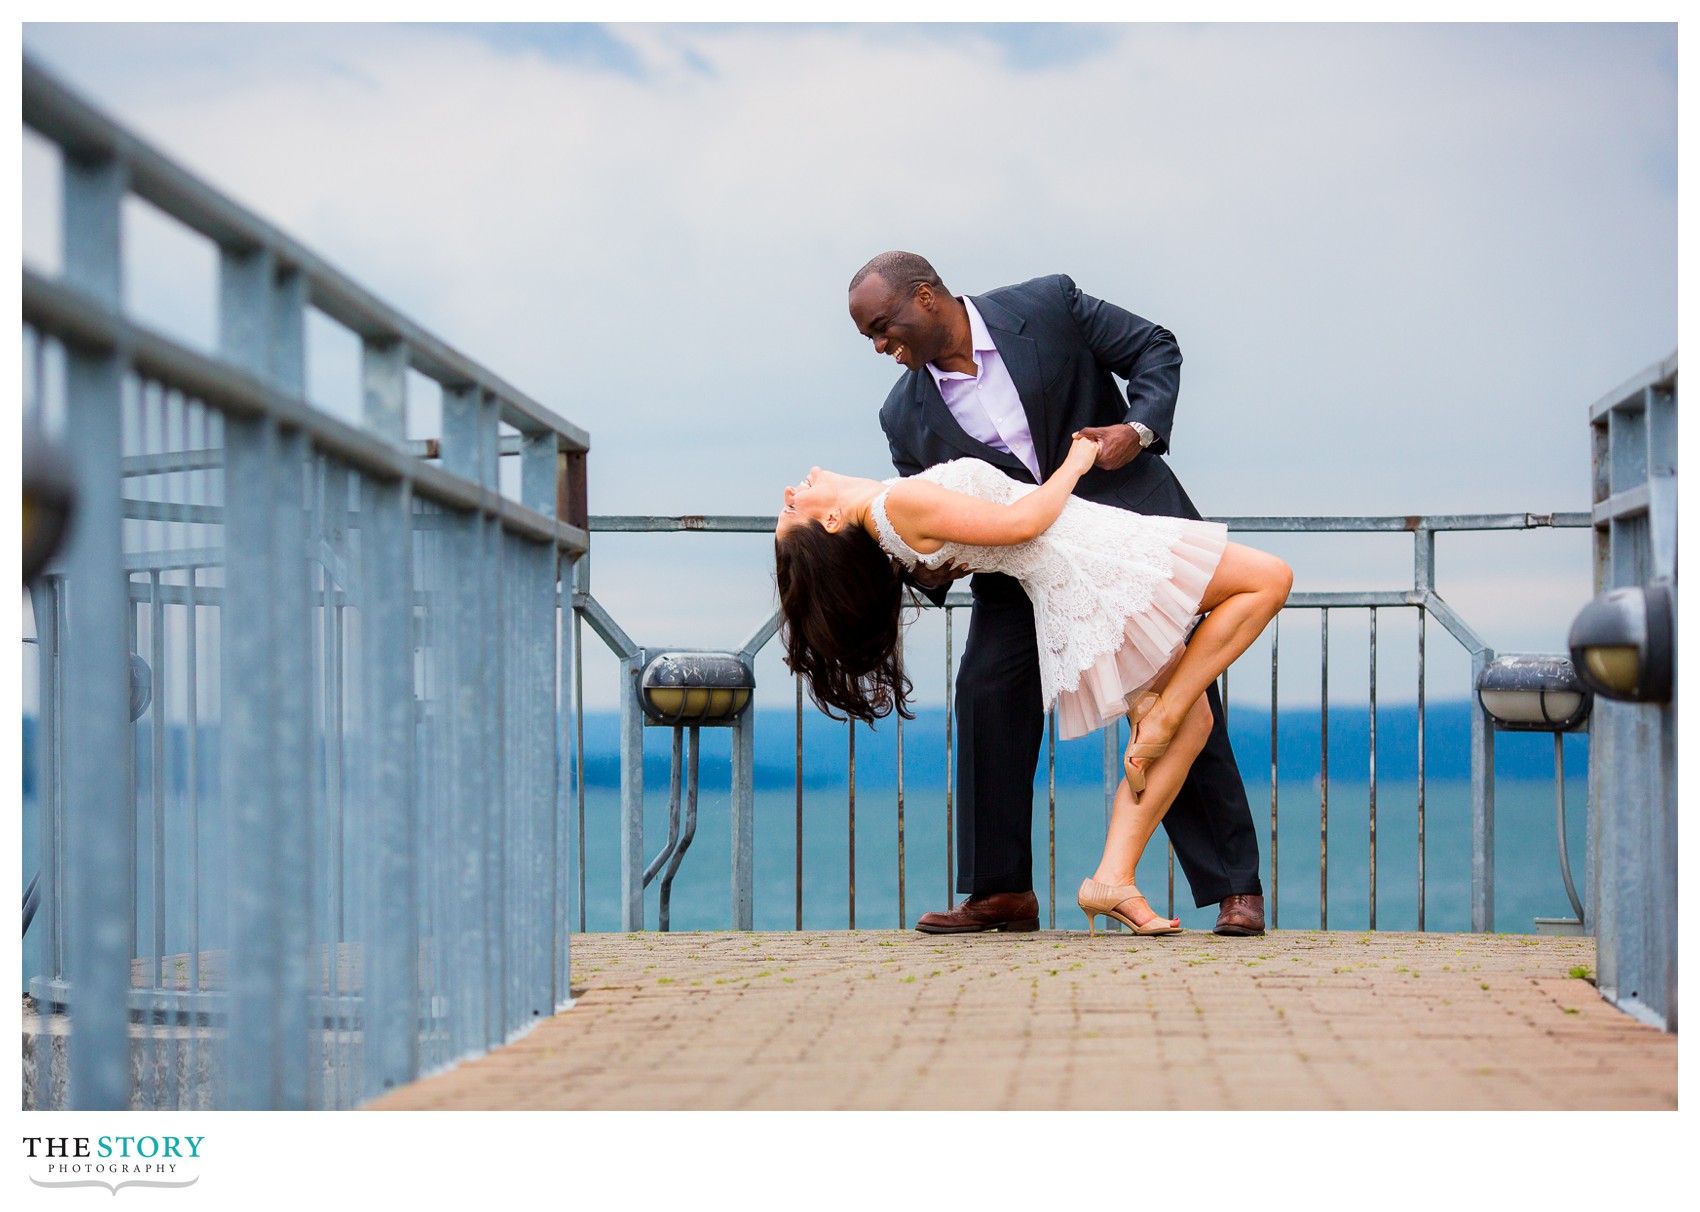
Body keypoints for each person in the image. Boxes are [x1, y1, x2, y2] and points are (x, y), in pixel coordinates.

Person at [844, 251, 1270, 935]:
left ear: (926, 296)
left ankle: (1233, 889)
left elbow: (1156, 347)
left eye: (882, 326)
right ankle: (1000, 891)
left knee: (1178, 695)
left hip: (1129, 532)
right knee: (984, 691)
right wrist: (929, 569)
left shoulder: (1046, 304)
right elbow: (941, 524)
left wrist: (1137, 430)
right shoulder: (903, 418)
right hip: (1021, 570)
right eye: (868, 335)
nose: (879, 346)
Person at [773, 442, 1290, 933]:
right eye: (793, 511)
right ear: (832, 522)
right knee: (1269, 579)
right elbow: (1022, 524)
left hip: (1081, 570)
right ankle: (1165, 715)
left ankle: (1113, 877)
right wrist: (1075, 462)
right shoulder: (895, 504)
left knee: (1197, 722)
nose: (789, 495)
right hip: (1096, 562)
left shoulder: (889, 521)